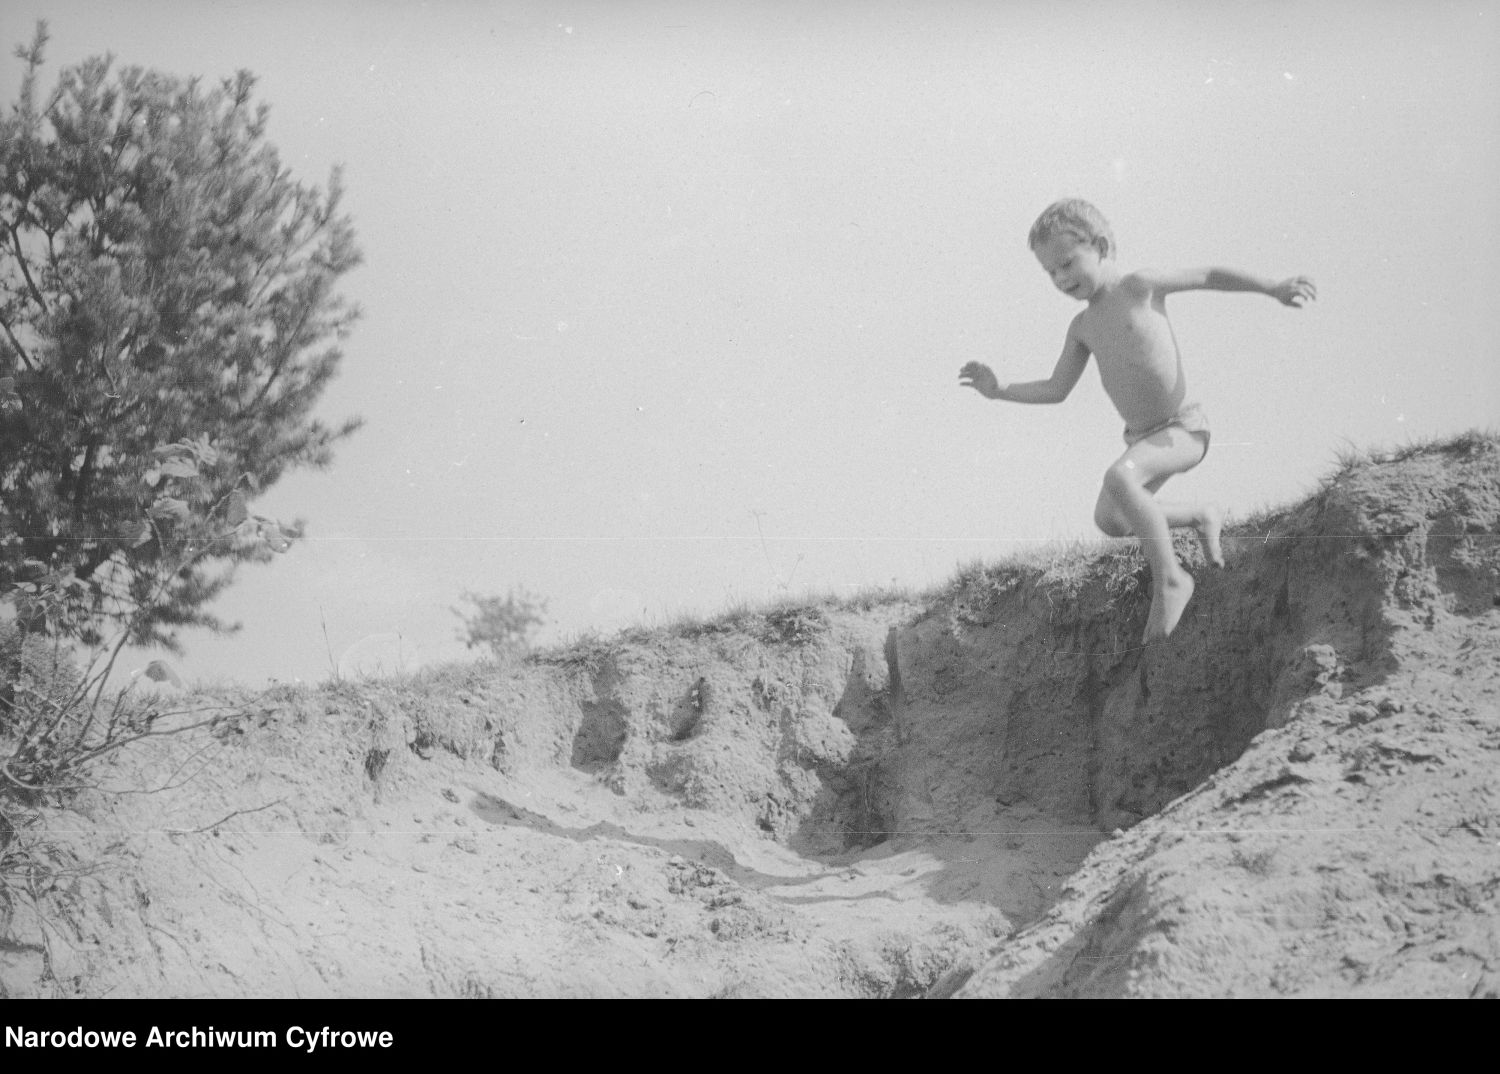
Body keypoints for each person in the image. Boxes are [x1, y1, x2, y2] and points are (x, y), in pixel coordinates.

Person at [959, 198, 1316, 643]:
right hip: (1143, 438)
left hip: (1182, 429)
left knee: (1119, 479)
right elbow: (1056, 389)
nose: (1061, 278)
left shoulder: (1139, 286)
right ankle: (1200, 515)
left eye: (1068, 263)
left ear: (1102, 246)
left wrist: (1272, 286)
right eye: (1051, 273)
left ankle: (1172, 579)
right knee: (1111, 519)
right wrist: (1000, 391)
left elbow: (1208, 276)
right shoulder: (1082, 327)